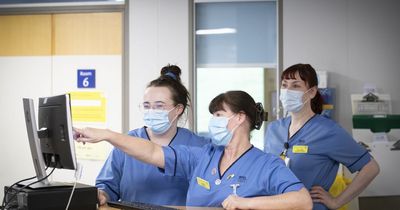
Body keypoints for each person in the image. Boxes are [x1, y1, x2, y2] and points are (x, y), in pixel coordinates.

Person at [75, 90, 313, 210]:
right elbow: (151, 152)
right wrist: (108, 135)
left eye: (219, 115)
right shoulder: (203, 155)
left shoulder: (266, 164)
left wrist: (247, 203)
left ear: (240, 118)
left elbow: (303, 201)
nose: (214, 121)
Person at [264, 63, 380, 210]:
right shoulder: (274, 129)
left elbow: (371, 168)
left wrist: (337, 202)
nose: (287, 91)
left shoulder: (328, 131)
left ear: (312, 92)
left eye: (295, 86)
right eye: (284, 85)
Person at [95, 65, 210, 206]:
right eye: (147, 106)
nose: (151, 111)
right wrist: (102, 194)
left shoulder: (198, 146)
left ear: (178, 109)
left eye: (159, 106)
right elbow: (107, 186)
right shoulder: (127, 143)